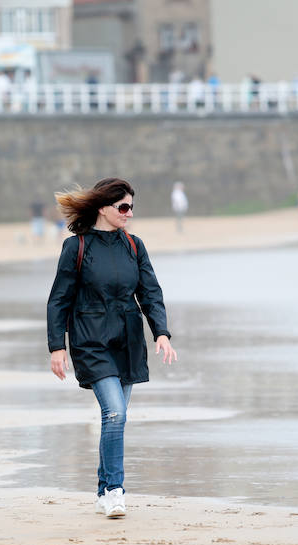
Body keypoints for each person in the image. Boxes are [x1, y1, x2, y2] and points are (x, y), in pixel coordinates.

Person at [47, 178, 177, 518]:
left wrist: (161, 332)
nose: (129, 213)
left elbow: (151, 292)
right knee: (116, 413)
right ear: (103, 208)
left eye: (132, 207)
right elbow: (58, 300)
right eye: (123, 207)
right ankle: (116, 490)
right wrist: (56, 346)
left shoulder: (134, 246)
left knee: (113, 418)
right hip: (90, 341)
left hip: (128, 341)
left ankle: (104, 491)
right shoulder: (75, 248)